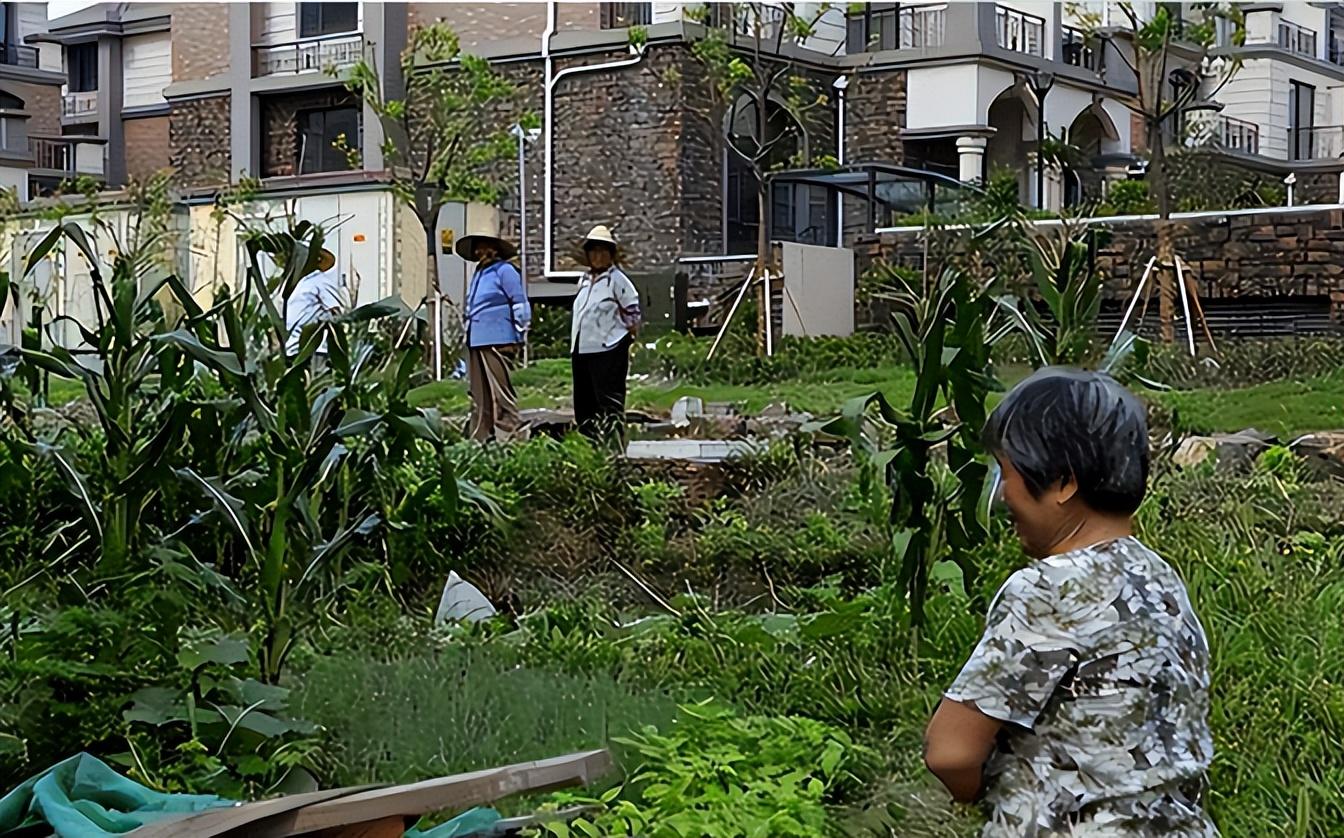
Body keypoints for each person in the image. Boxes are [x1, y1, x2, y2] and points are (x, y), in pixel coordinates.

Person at [924, 369, 1216, 837]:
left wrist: (977, 791)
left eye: (1008, 473)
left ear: (1062, 480)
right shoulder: (1161, 580)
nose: (1002, 494)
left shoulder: (1049, 588)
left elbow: (950, 751)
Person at [457, 222, 530, 443]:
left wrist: (520, 332)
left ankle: (509, 435)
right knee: (480, 394)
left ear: (495, 249)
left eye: (484, 247)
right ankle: (481, 438)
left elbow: (519, 301)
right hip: (477, 337)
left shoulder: (505, 271)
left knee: (500, 390)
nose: (480, 252)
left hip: (499, 337)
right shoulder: (479, 274)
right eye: (477, 248)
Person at [569, 225, 641, 439]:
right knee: (584, 401)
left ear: (610, 254)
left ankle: (613, 443)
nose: (597, 256)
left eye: (602, 251)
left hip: (608, 349)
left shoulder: (617, 280)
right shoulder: (583, 280)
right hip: (582, 350)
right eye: (593, 251)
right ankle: (588, 442)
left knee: (608, 400)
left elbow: (632, 313)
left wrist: (626, 339)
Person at [284, 248, 347, 358]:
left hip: (315, 350)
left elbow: (336, 311)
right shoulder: (299, 283)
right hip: (295, 348)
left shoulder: (319, 280)